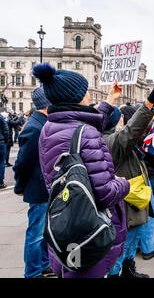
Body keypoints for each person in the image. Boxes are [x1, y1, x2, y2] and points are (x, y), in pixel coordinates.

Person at [35, 63, 130, 278]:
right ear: (77, 97)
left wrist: (109, 100)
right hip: (89, 228)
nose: (88, 94)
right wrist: (125, 183)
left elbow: (83, 125)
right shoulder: (86, 134)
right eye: (85, 90)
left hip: (64, 220)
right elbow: (105, 193)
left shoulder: (49, 128)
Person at [104, 87, 154, 278]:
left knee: (129, 247)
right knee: (121, 249)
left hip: (131, 199)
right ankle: (118, 273)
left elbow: (136, 131)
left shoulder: (112, 138)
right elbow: (131, 132)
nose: (124, 120)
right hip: (125, 203)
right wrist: (147, 104)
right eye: (121, 118)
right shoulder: (111, 141)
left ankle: (129, 271)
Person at [13, 88, 54, 278]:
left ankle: (44, 265)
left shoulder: (44, 123)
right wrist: (20, 186)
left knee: (44, 233)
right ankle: (32, 273)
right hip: (38, 189)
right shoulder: (34, 127)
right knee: (35, 235)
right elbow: (22, 163)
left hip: (45, 188)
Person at [0, 111, 8, 189]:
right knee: (1, 162)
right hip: (1, 141)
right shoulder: (1, 117)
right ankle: (0, 183)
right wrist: (6, 140)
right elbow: (6, 130)